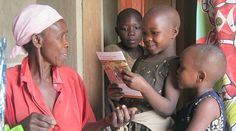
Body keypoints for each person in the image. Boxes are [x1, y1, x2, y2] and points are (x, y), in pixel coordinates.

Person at [5, 4, 135, 131]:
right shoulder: (7, 83)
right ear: (37, 40)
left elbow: (84, 127)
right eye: (60, 37)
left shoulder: (72, 78)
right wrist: (21, 128)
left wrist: (107, 122)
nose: (67, 43)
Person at [111, 5, 181, 131]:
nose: (147, 38)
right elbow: (131, 99)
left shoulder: (174, 64)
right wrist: (118, 95)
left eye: (154, 33)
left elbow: (169, 108)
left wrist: (144, 87)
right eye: (144, 33)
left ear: (173, 32)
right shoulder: (141, 60)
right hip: (132, 124)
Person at [173, 44, 227, 130]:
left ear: (200, 77)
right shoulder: (195, 100)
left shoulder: (208, 104)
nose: (177, 71)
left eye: (182, 68)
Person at [104, 8, 144, 123]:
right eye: (124, 29)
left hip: (143, 110)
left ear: (143, 28)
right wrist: (110, 94)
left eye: (136, 28)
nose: (131, 33)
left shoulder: (149, 54)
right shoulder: (112, 52)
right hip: (121, 110)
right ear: (117, 31)